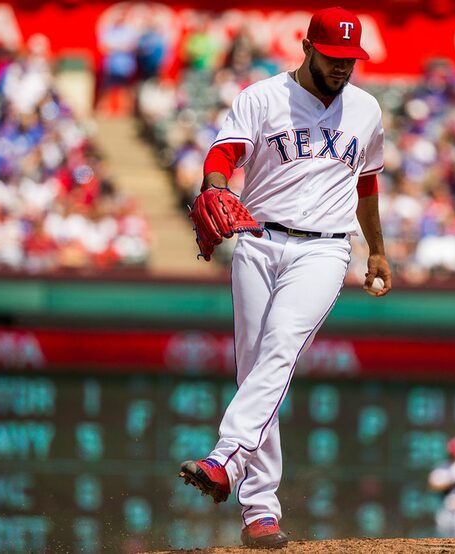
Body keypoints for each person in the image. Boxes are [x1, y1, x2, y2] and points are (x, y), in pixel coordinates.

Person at [177, 7, 391, 549]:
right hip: (256, 239)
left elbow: (366, 187)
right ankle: (260, 513)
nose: (343, 67)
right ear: (307, 47)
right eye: (334, 56)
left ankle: (224, 457)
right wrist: (215, 186)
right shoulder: (262, 97)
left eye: (351, 58)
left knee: (279, 349)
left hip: (324, 249)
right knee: (257, 375)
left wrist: (378, 252)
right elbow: (223, 153)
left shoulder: (365, 110)